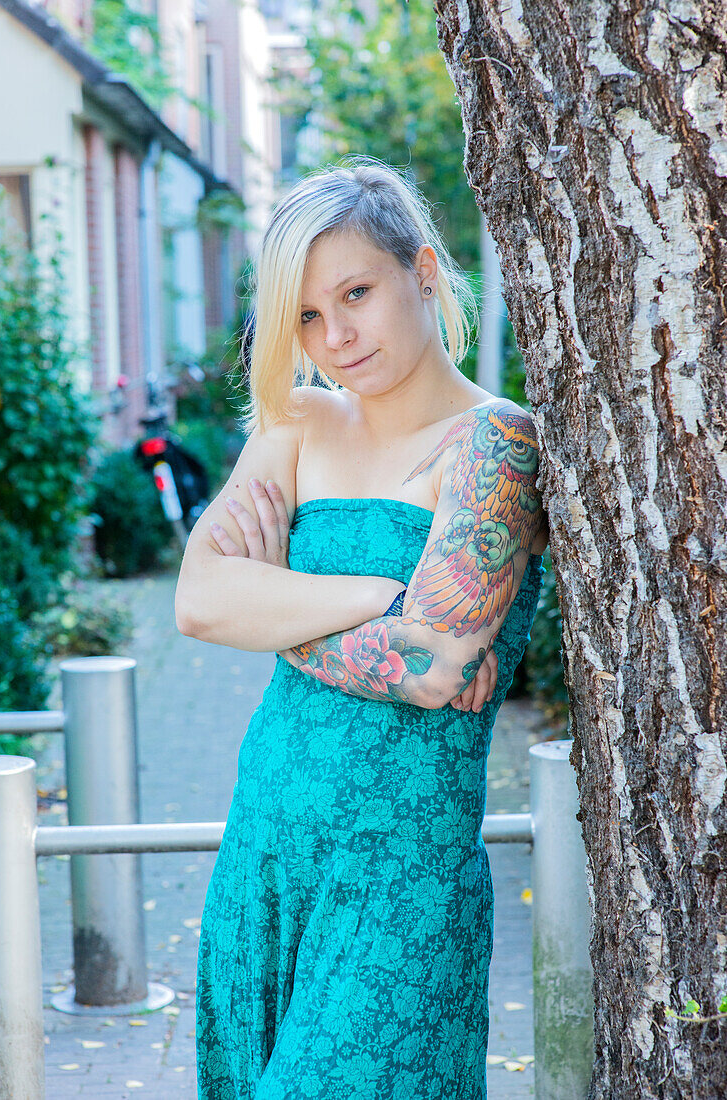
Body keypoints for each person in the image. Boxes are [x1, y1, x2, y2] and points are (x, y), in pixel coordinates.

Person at [175, 156, 549, 1100]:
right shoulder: (298, 421)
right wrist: (377, 591)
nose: (335, 336)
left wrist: (273, 605)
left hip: (400, 886)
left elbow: (432, 665)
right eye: (307, 315)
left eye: (356, 293)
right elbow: (197, 601)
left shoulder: (497, 445)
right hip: (266, 848)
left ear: (422, 273)